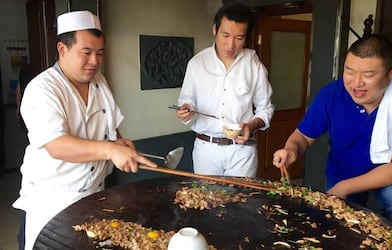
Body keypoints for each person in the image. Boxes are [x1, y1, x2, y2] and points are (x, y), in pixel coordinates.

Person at [12, 10, 157, 250]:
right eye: (86, 53)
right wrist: (110, 150)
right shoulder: (43, 89)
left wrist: (119, 143)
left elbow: (110, 127)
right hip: (54, 201)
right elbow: (57, 145)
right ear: (62, 49)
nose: (94, 61)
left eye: (99, 53)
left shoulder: (99, 82)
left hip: (95, 195)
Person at [273, 34, 392, 235]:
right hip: (344, 171)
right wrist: (290, 149)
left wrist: (344, 188)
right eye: (349, 71)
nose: (356, 83)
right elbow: (303, 136)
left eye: (368, 74)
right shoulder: (332, 94)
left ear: (390, 75)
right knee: (336, 227)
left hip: (388, 174)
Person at [176, 3, 274, 177]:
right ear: (215, 29)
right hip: (206, 150)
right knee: (206, 203)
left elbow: (265, 109)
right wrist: (186, 110)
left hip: (242, 152)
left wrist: (250, 126)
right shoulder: (198, 63)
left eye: (239, 38)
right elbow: (187, 100)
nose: (231, 45)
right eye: (225, 35)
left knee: (241, 202)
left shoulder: (254, 66)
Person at [15, 57, 34, 134]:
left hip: (25, 106)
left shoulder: (23, 70)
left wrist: (18, 107)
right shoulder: (41, 70)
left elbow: (18, 91)